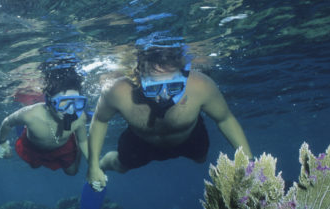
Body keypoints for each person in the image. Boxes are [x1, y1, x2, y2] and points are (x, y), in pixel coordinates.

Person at [86, 45, 251, 190]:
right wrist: (93, 166)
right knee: (120, 166)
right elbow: (100, 120)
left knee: (201, 159)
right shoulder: (117, 91)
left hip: (189, 137)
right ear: (138, 80)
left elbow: (225, 119)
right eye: (153, 88)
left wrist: (249, 161)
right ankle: (103, 164)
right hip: (140, 143)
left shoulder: (201, 86)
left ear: (184, 78)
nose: (163, 97)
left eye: (173, 86)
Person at [0, 59, 90, 176]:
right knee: (34, 166)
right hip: (33, 147)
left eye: (76, 102)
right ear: (49, 101)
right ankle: (23, 129)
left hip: (63, 146)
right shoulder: (30, 115)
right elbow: (7, 122)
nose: (70, 110)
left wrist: (94, 166)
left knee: (72, 172)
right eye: (63, 102)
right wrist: (1, 142)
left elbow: (83, 140)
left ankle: (76, 151)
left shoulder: (80, 118)